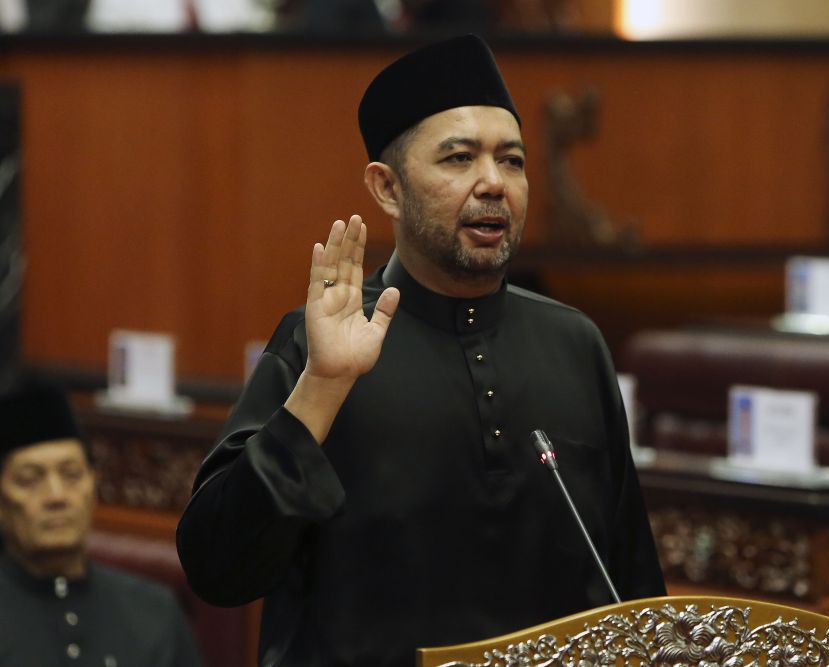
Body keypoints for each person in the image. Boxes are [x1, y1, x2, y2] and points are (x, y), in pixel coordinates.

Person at [176, 34, 665, 667]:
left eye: (511, 161)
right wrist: (323, 385)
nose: (494, 183)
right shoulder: (320, 343)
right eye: (459, 159)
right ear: (387, 189)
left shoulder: (575, 344)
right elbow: (219, 569)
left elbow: (633, 585)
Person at [0, 379, 204, 667]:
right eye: (30, 479)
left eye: (71, 475)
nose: (56, 496)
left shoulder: (154, 611)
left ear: (92, 487)